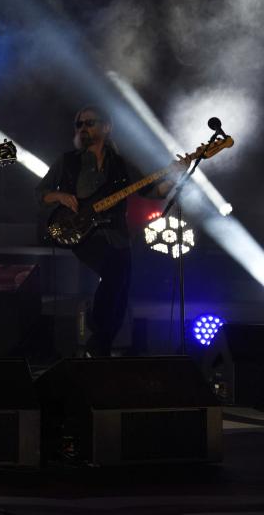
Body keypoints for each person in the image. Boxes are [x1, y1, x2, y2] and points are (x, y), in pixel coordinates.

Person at [36, 106, 186, 357]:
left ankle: (101, 345)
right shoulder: (68, 161)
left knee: (121, 289)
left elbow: (152, 191)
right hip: (82, 232)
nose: (83, 128)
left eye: (89, 123)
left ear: (106, 127)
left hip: (117, 234)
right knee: (115, 271)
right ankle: (98, 332)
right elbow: (41, 193)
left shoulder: (121, 164)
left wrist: (174, 177)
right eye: (79, 124)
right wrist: (60, 195)